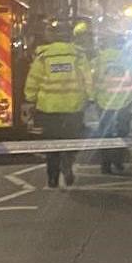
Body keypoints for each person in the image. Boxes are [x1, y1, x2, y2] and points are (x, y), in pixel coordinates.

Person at [23, 21, 92, 189]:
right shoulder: (78, 55)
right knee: (71, 139)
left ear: (51, 36)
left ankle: (52, 178)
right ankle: (67, 163)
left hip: (49, 108)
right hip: (73, 107)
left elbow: (34, 80)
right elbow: (87, 79)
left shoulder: (44, 56)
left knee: (52, 143)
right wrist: (90, 98)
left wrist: (30, 98)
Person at [92, 33, 132, 175]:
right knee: (122, 132)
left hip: (103, 101)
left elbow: (92, 79)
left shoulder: (99, 60)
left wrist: (92, 97)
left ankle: (105, 164)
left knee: (105, 133)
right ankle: (118, 160)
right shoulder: (126, 59)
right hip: (123, 101)